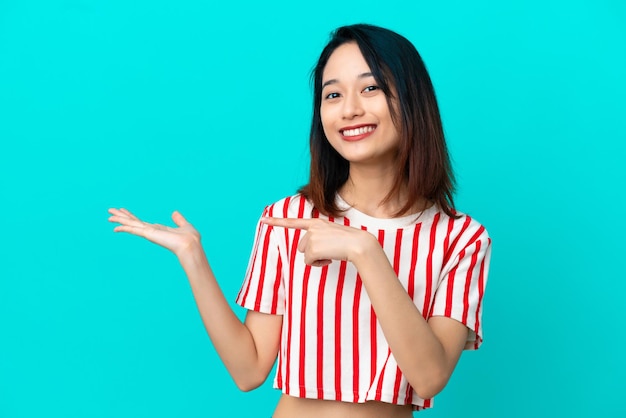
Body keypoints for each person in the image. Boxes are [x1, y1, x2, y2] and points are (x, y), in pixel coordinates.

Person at [108, 24, 492, 417]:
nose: (349, 109)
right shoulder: (287, 219)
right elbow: (249, 369)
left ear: (412, 98)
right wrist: (192, 257)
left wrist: (365, 251)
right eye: (333, 94)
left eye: (370, 88)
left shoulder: (462, 239)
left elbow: (429, 377)